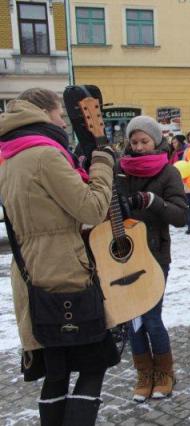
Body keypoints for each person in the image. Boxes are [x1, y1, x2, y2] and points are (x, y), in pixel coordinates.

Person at [0, 88, 120, 424]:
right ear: (44, 112)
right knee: (94, 362)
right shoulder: (44, 154)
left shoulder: (9, 153)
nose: (62, 121)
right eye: (60, 115)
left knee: (57, 369)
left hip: (31, 272)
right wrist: (101, 163)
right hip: (64, 271)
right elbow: (93, 208)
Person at [117, 116, 187, 402]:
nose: (139, 147)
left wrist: (152, 201)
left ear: (156, 141)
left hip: (155, 255)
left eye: (144, 141)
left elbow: (181, 216)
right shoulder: (120, 172)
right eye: (134, 142)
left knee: (151, 317)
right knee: (132, 318)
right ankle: (144, 373)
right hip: (123, 257)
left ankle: (164, 372)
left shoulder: (168, 173)